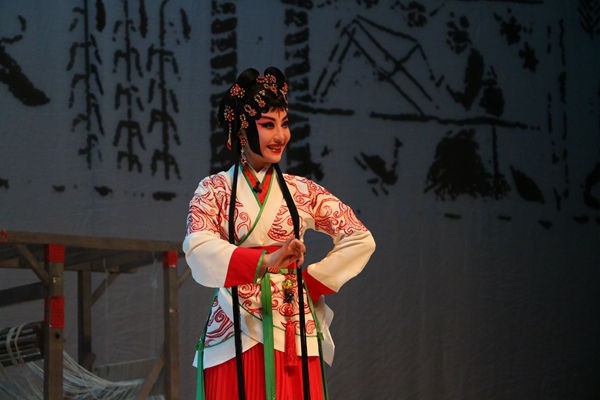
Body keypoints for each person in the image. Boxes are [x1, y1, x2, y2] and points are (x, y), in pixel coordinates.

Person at [183, 66, 375, 400]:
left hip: (291, 324)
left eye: (284, 124)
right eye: (268, 125)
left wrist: (311, 282)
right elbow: (198, 248)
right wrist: (266, 261)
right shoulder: (214, 190)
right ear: (242, 130)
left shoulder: (301, 191)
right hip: (234, 324)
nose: (281, 136)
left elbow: (359, 238)